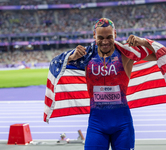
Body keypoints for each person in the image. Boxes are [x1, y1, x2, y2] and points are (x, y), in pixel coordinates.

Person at [67, 18, 157, 150]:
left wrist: (144, 42)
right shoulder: (86, 56)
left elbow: (159, 55)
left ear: (115, 34)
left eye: (109, 37)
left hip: (122, 125)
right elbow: (57, 66)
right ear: (94, 36)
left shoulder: (126, 54)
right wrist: (71, 57)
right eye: (100, 37)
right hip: (96, 125)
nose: (105, 41)